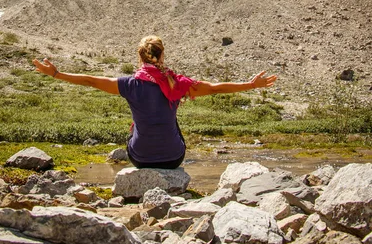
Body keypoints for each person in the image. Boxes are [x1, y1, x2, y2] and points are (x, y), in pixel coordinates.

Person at [33, 35, 277, 170]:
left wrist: (57, 74)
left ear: (140, 58)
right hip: (174, 158)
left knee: (135, 126)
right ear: (162, 55)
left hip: (140, 158)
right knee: (173, 121)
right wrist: (250, 85)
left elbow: (91, 81)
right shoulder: (177, 83)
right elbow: (215, 88)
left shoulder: (129, 84)